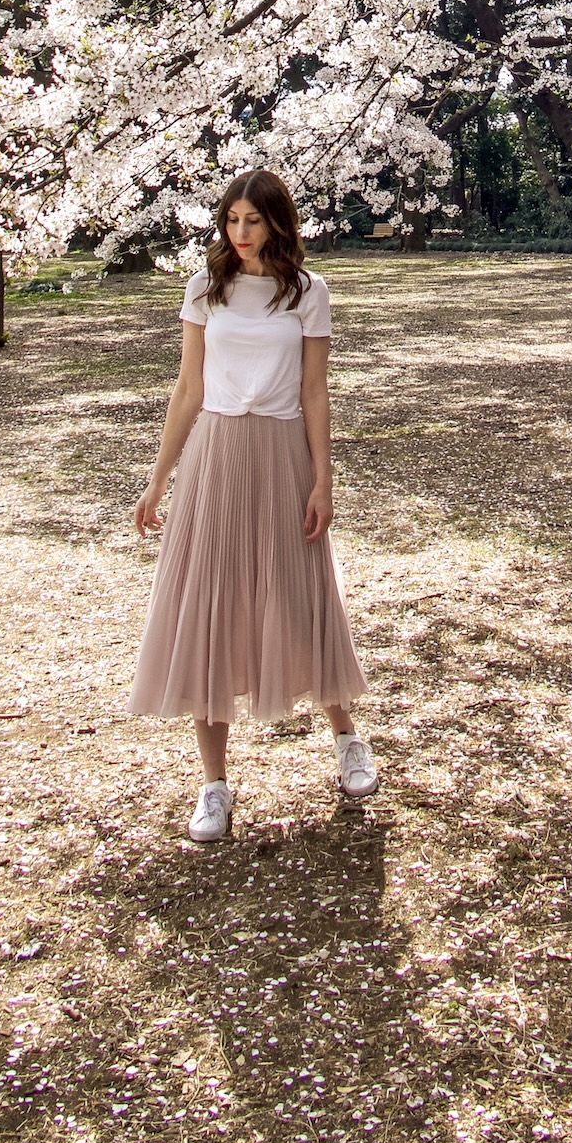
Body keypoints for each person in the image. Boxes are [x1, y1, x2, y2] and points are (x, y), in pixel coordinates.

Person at [128, 168, 376, 840]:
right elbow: (186, 388)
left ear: (277, 222)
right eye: (231, 220)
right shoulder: (206, 290)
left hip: (282, 452)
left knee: (299, 596)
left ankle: (347, 738)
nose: (240, 233)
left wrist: (323, 478)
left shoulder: (307, 292)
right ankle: (214, 786)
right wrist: (159, 479)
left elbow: (317, 391)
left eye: (253, 220)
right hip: (215, 453)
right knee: (208, 604)